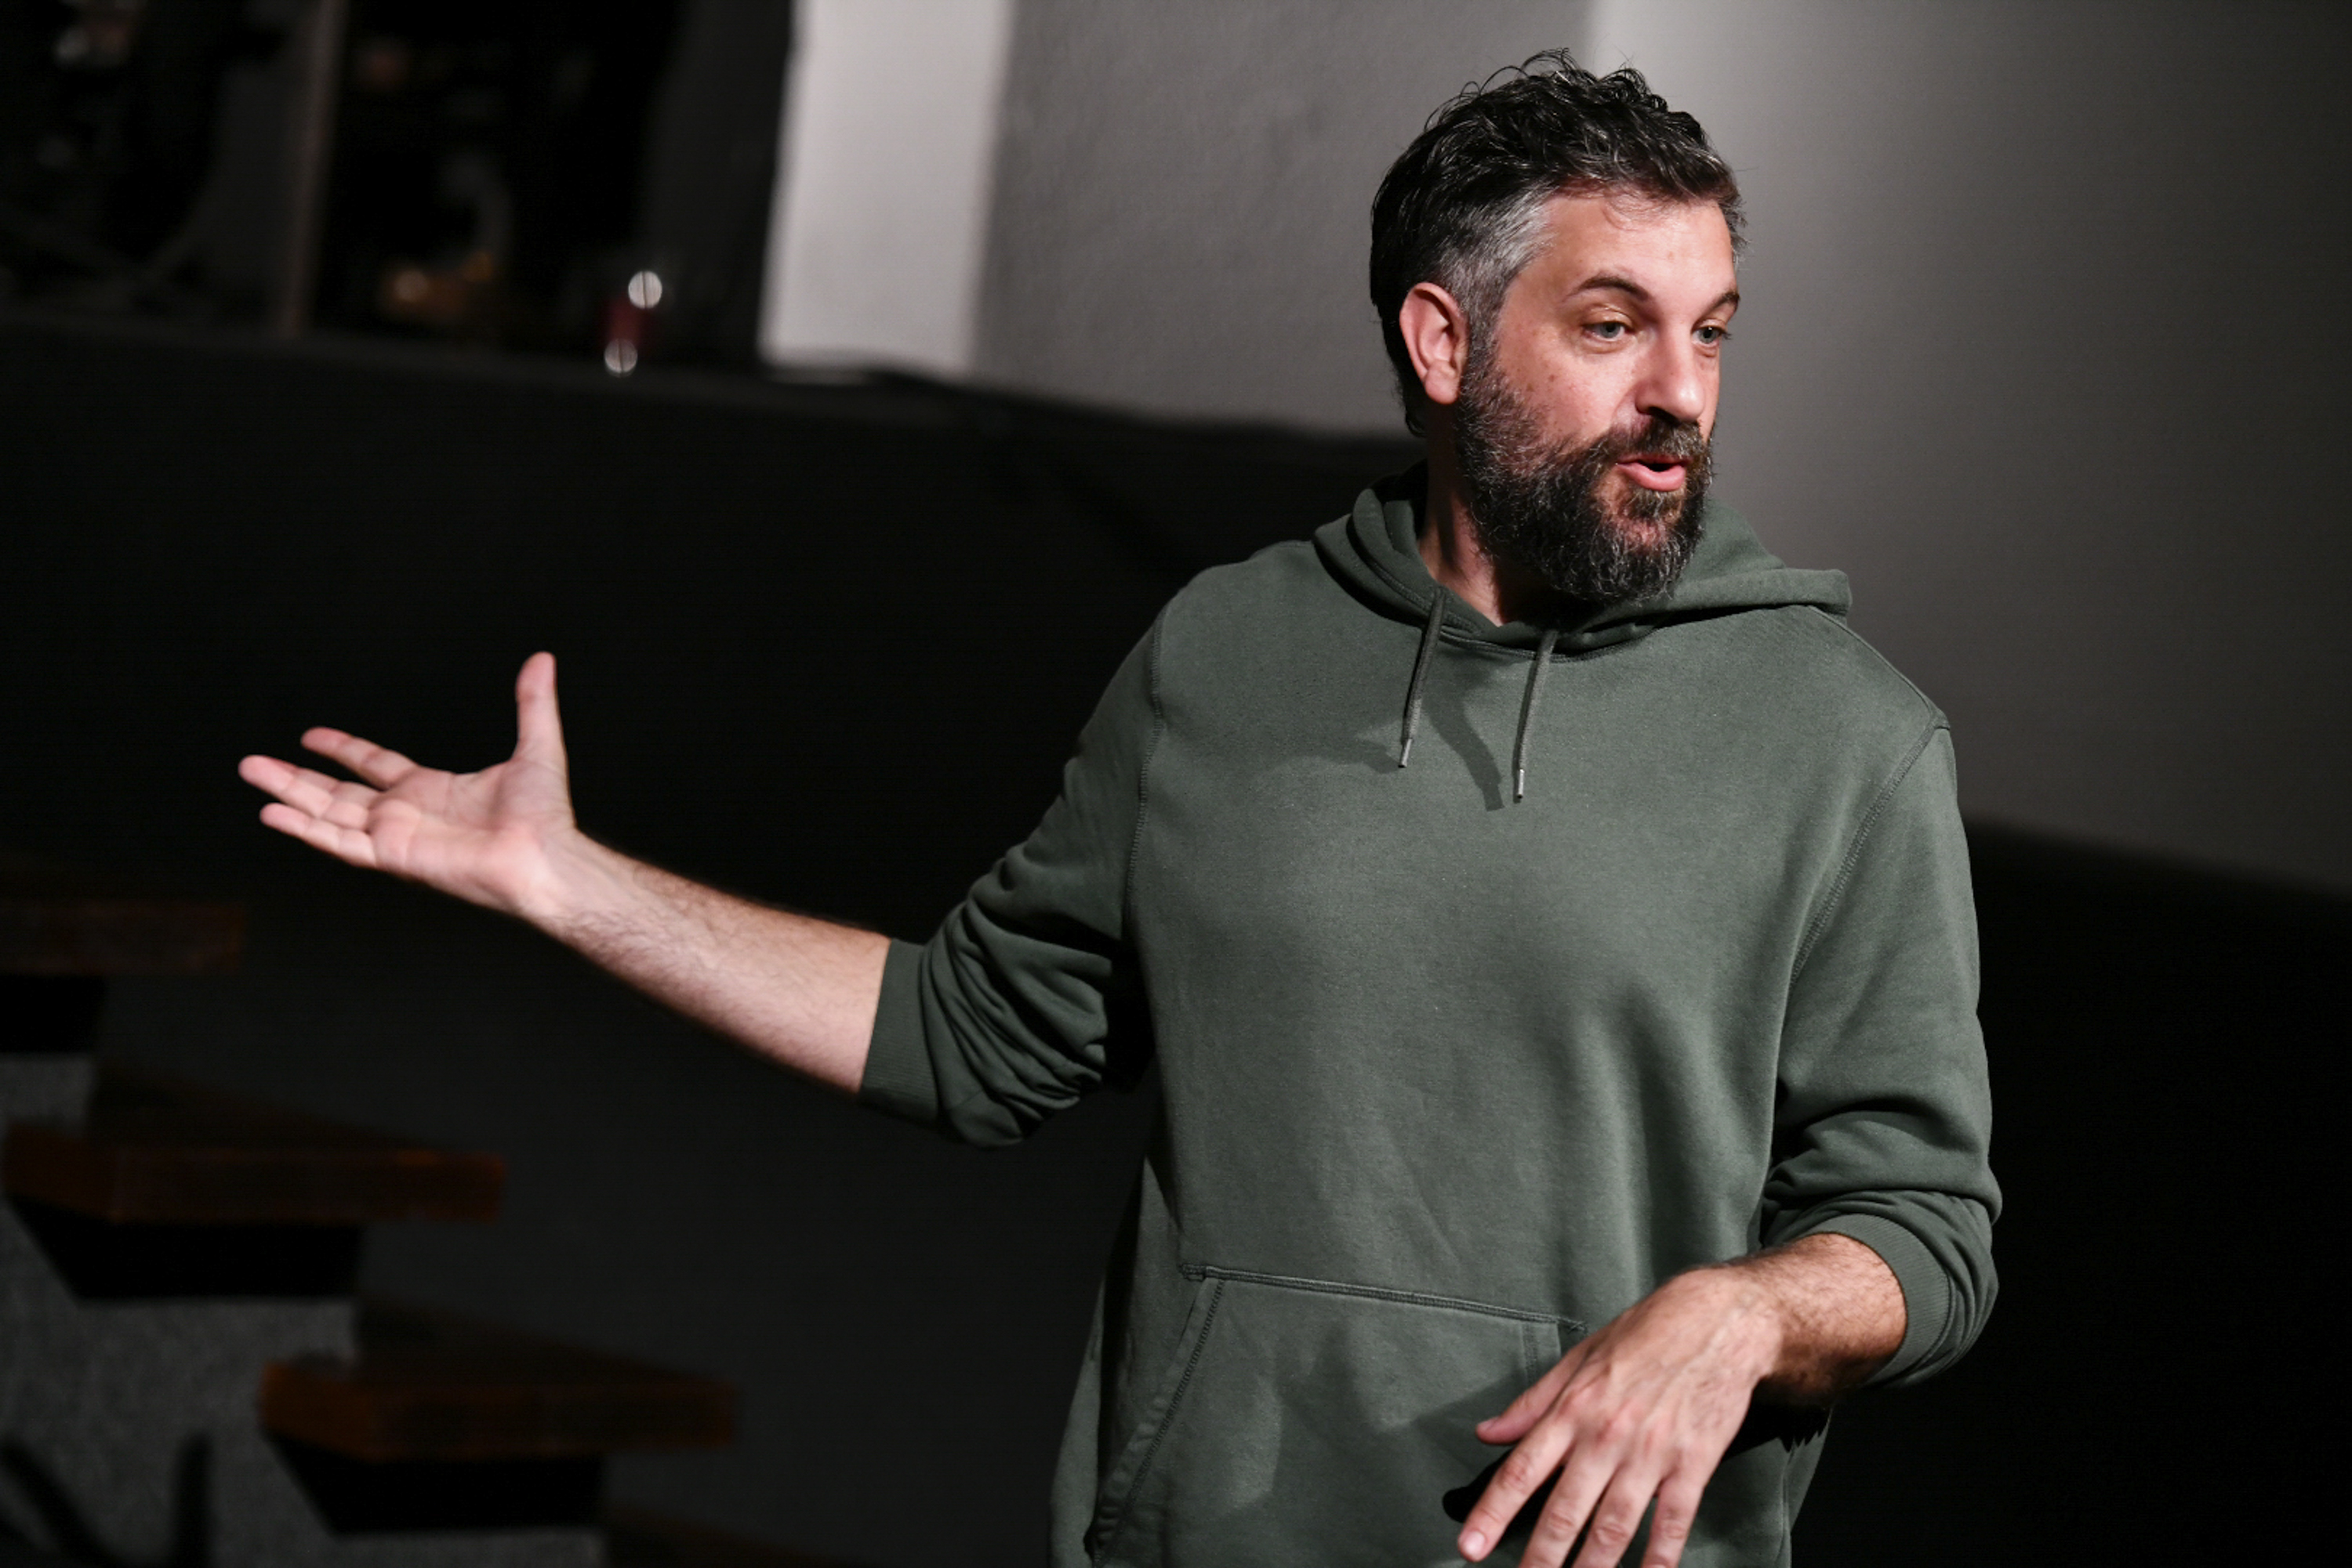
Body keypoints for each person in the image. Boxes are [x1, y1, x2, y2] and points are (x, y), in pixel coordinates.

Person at [241, 54, 1997, 1568]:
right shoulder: (1225, 657)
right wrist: (570, 884)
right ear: (1443, 340)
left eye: (1711, 331)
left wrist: (1743, 1309)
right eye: (1612, 326)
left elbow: (1925, 1233)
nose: (1681, 390)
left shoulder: (1838, 740)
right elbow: (965, 1034)